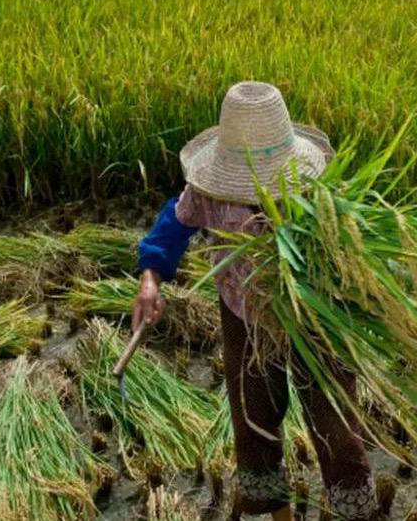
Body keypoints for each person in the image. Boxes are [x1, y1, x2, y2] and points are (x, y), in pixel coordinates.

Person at [132, 81, 378, 520]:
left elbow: (355, 250)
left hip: (314, 317)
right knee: (254, 422)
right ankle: (276, 512)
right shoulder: (209, 192)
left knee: (336, 429)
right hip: (243, 317)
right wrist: (150, 279)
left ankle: (349, 511)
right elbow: (173, 224)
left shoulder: (315, 192)